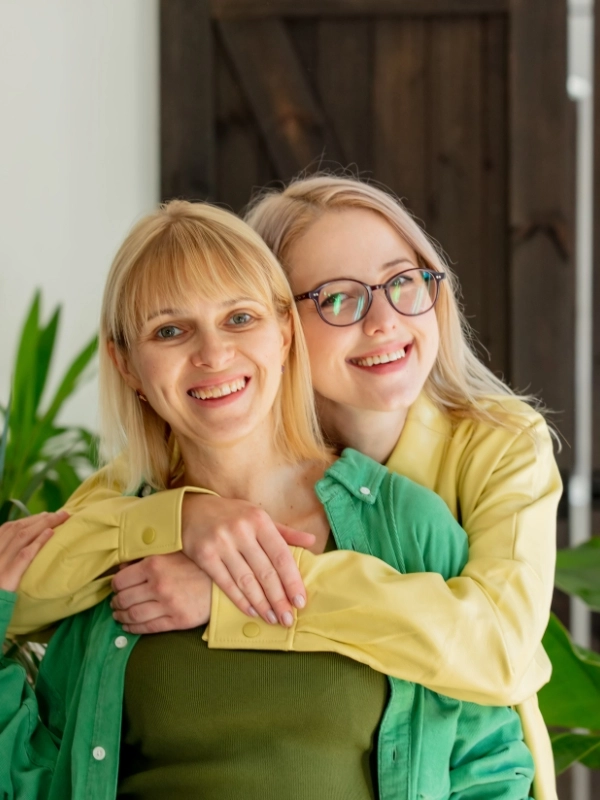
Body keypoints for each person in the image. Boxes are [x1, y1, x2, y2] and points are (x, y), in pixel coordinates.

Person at [10, 179, 561, 800]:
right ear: (290, 322)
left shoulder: (488, 453)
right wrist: (182, 518)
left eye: (403, 283)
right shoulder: (165, 467)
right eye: (338, 298)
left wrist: (236, 593)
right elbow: (25, 594)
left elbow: (499, 657)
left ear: (276, 330)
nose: (385, 321)